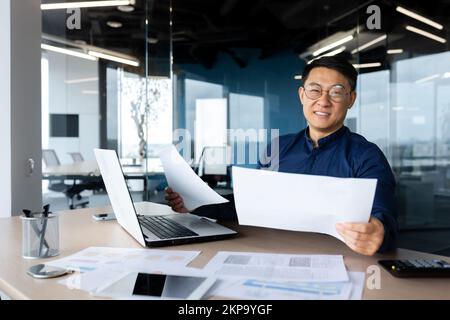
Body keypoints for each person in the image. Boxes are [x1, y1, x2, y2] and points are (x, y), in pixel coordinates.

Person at [166, 56, 397, 256]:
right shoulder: (278, 147)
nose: (323, 101)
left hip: (340, 262)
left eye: (336, 92)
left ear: (351, 99)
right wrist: (196, 204)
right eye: (315, 90)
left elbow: (382, 217)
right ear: (302, 95)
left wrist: (379, 232)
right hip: (271, 255)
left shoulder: (367, 156)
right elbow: (249, 206)